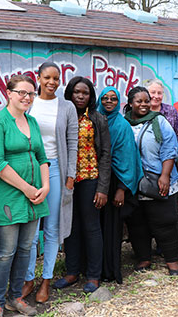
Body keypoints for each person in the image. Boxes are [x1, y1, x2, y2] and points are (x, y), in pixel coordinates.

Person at [0, 75, 50, 316]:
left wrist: (45, 187)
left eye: (31, 94)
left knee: (26, 249)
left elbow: (42, 158)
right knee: (5, 253)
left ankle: (15, 297)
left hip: (34, 197)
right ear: (8, 93)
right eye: (21, 92)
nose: (27, 97)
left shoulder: (32, 122)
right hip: (7, 197)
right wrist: (27, 188)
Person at [22, 62, 78, 303]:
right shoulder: (28, 103)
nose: (52, 82)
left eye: (56, 78)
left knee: (52, 229)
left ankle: (46, 280)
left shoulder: (67, 107)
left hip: (56, 168)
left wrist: (70, 177)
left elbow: (72, 142)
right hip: (31, 170)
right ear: (39, 78)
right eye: (47, 77)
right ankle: (27, 279)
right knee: (31, 231)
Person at [53, 77, 111, 293]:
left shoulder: (98, 119)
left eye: (85, 93)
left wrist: (103, 188)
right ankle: (72, 272)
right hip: (65, 180)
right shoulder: (63, 116)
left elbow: (105, 154)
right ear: (69, 93)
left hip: (89, 179)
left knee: (91, 226)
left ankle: (94, 275)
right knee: (70, 226)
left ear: (90, 96)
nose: (80, 96)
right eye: (76, 92)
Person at [124, 86, 178, 276]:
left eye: (146, 101)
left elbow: (170, 148)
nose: (144, 104)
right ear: (130, 103)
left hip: (159, 181)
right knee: (137, 223)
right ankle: (144, 258)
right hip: (135, 183)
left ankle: (172, 260)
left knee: (165, 221)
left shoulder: (160, 121)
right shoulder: (125, 123)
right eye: (139, 101)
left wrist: (165, 175)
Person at [97, 86, 143, 283]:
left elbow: (127, 159)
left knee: (111, 229)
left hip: (116, 181)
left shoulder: (122, 125)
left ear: (118, 103)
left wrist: (121, 189)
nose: (109, 101)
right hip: (96, 180)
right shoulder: (95, 120)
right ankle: (94, 269)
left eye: (113, 99)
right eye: (105, 98)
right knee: (96, 228)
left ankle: (110, 271)